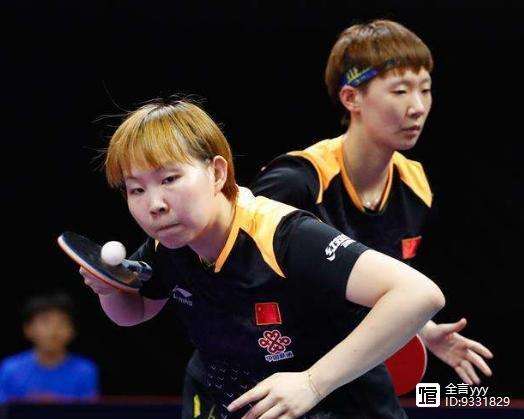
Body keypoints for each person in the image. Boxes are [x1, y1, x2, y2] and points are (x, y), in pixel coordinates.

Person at [80, 98, 444, 418]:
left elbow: (419, 294)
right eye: (136, 189)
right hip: (232, 398)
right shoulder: (169, 244)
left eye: (170, 179)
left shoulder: (283, 236)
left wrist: (313, 383)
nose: (154, 205)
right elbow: (136, 311)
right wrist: (108, 290)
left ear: (217, 172)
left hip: (339, 404)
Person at [250, 19, 493, 387]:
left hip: (340, 369)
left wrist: (421, 328)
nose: (417, 107)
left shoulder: (414, 186)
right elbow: (232, 277)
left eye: (425, 90)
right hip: (269, 365)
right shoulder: (295, 183)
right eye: (400, 91)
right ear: (352, 98)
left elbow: (369, 285)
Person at [0, 293, 99, 403]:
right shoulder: (10, 369)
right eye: (45, 322)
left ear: (72, 330)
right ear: (28, 328)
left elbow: (88, 409)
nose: (53, 330)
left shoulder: (84, 371)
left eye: (62, 322)